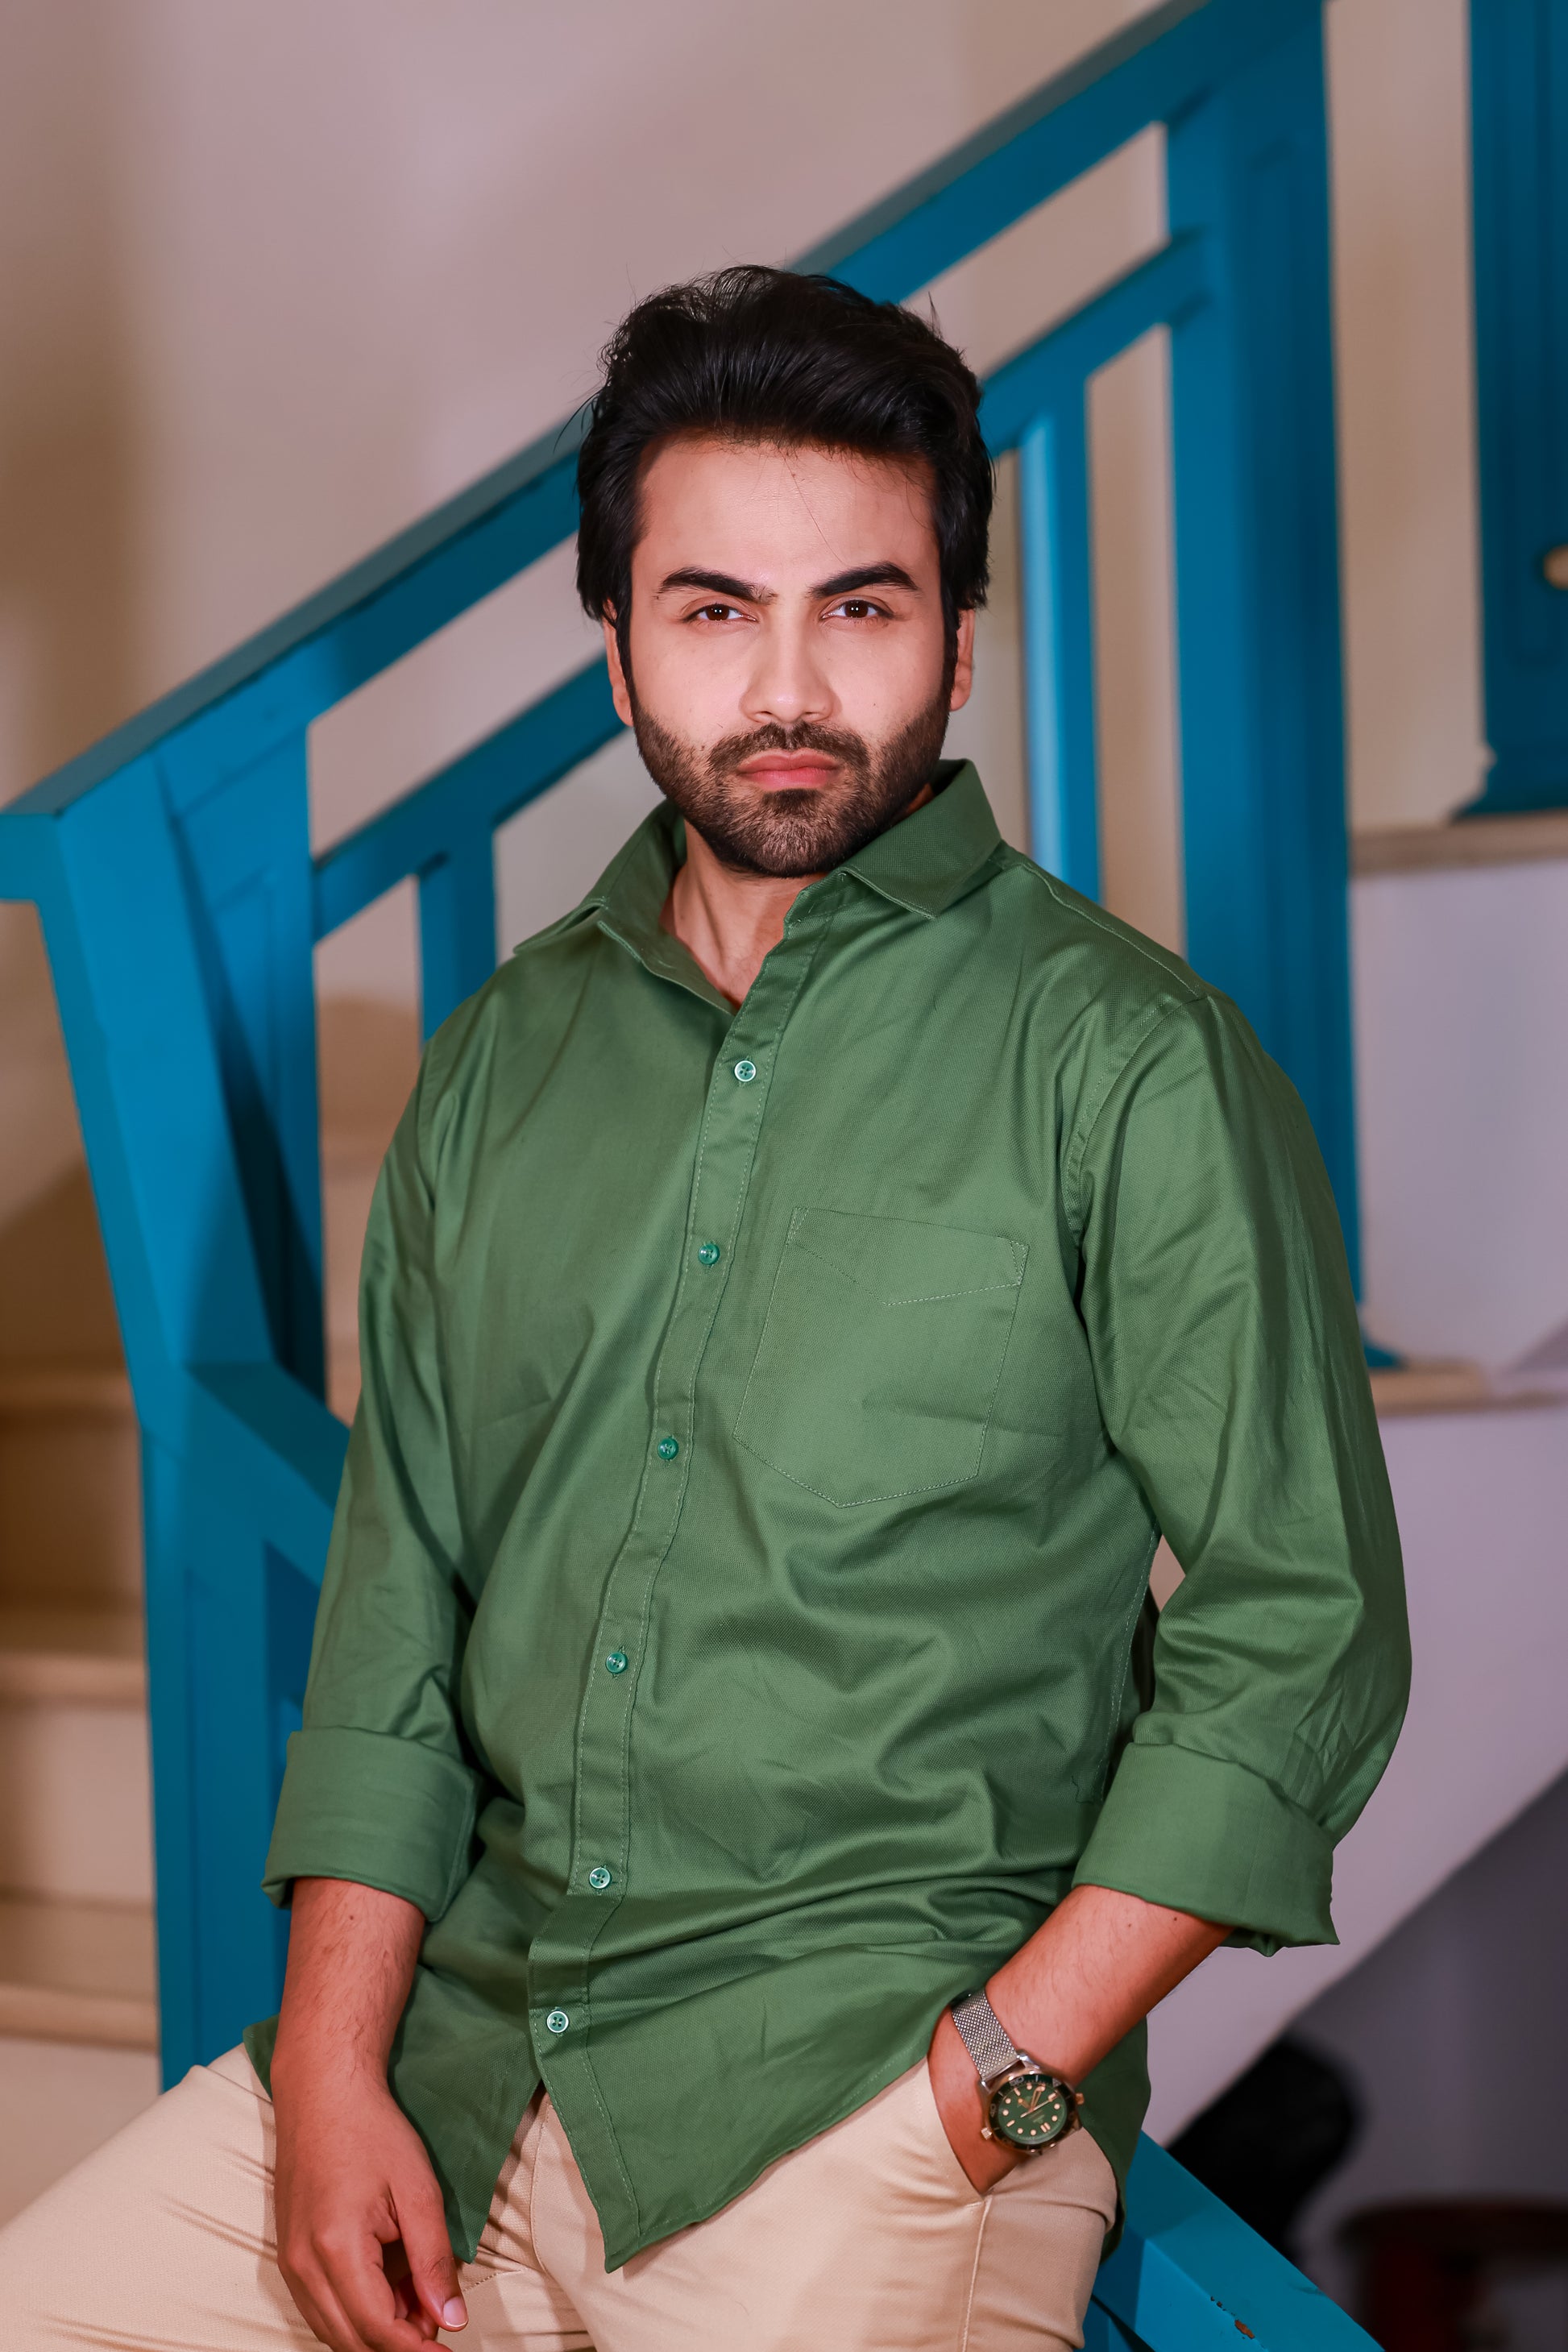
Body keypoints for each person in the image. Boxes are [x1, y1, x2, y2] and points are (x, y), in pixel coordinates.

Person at [0, 266, 1409, 2352]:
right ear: (618, 638)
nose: (790, 685)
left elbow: (1304, 1620)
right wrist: (328, 2073)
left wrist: (1002, 2081)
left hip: (855, 2109)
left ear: (956, 633)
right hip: (458, 2059)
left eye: (863, 606)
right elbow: (397, 1612)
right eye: (716, 608)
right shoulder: (503, 1060)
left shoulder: (1130, 1064)